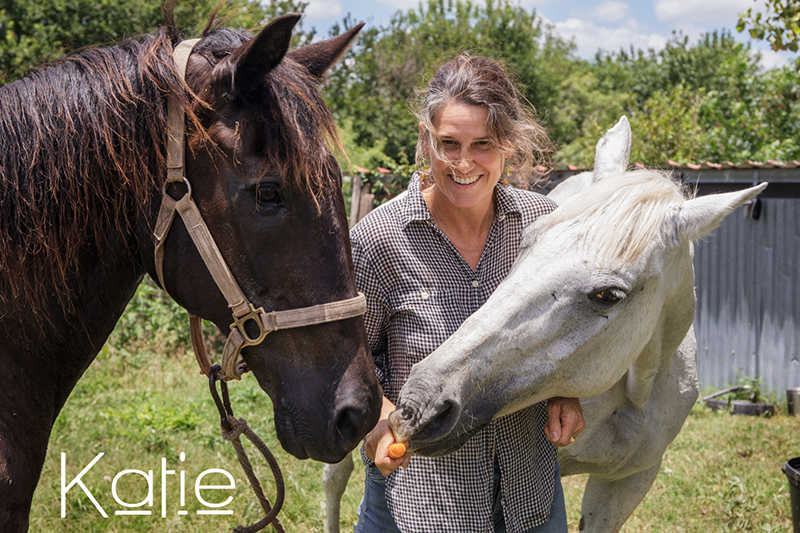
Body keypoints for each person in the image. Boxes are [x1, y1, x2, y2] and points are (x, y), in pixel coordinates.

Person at [349, 53, 586, 533]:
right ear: (425, 140)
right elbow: (347, 358)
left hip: (530, 498)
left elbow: (569, 331)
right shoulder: (380, 240)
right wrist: (379, 422)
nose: (463, 163)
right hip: (418, 500)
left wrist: (568, 392)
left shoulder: (544, 226)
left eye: (482, 145)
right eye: (448, 144)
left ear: (509, 145)